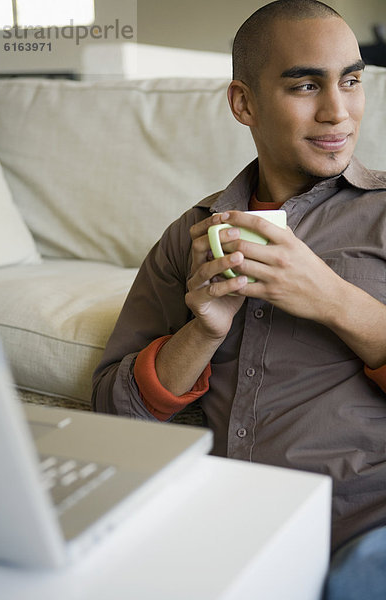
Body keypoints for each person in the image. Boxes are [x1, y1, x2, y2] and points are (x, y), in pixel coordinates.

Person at [92, 1, 386, 597]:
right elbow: (112, 415)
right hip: (228, 524)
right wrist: (199, 333)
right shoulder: (192, 235)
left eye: (351, 81)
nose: (338, 112)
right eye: (306, 85)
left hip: (366, 527)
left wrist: (332, 299)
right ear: (243, 103)